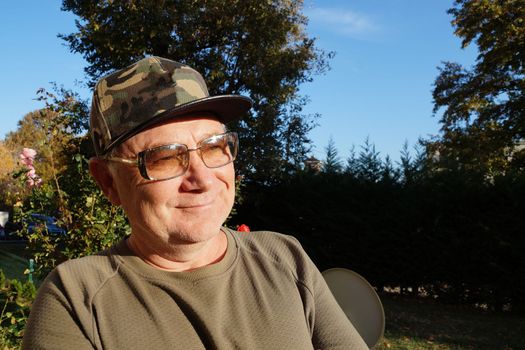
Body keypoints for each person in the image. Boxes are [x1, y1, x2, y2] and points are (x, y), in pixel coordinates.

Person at [22, 56, 367, 349]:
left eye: (215, 147)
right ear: (108, 181)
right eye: (164, 157)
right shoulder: (76, 299)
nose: (202, 180)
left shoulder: (284, 259)